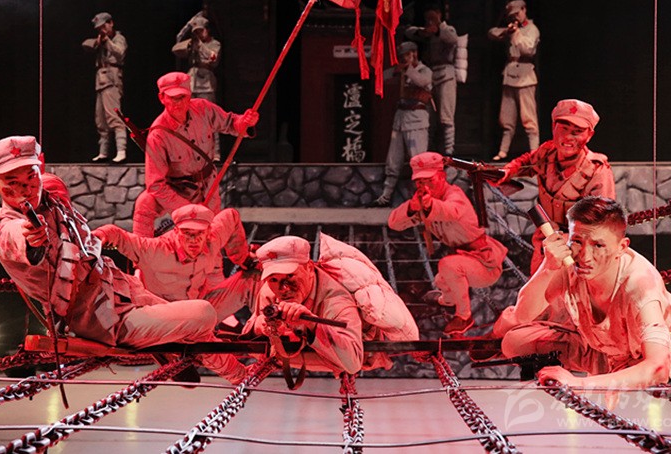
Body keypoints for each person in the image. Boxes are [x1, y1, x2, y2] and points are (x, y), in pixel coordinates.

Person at [0, 135, 247, 383]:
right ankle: (215, 367)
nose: (25, 190)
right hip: (101, 318)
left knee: (195, 326)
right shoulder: (2, 230)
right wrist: (32, 237)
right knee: (203, 314)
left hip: (123, 289)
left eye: (31, 177)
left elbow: (52, 185)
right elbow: (18, 236)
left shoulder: (53, 199)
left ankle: (234, 375)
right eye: (12, 183)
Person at [497, 196, 671, 390]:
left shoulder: (640, 286)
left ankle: (605, 379)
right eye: (577, 241)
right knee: (514, 341)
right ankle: (598, 374)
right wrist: (548, 267)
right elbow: (523, 314)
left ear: (621, 247)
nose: (584, 256)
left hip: (637, 360)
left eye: (598, 245)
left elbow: (658, 369)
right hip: (597, 349)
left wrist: (578, 383)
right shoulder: (569, 261)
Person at [244, 236, 401, 375]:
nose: (283, 289)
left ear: (309, 268)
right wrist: (262, 326)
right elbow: (249, 341)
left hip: (348, 353)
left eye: (290, 276)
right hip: (296, 352)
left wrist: (312, 324)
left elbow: (353, 363)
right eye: (274, 279)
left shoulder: (336, 300)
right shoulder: (269, 292)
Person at [388, 152, 508, 335]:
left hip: (485, 263)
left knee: (448, 266)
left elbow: (452, 211)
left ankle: (464, 316)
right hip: (465, 260)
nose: (424, 186)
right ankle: (446, 300)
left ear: (442, 176)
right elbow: (394, 223)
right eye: (419, 182)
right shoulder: (424, 199)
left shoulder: (454, 194)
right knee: (441, 279)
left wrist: (429, 206)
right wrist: (412, 208)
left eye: (430, 180)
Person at [494, 99, 615, 274]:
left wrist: (568, 240)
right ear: (553, 127)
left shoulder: (597, 171)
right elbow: (527, 162)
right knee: (537, 288)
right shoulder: (547, 153)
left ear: (589, 135)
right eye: (563, 129)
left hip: (578, 251)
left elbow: (601, 223)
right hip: (545, 242)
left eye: (577, 132)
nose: (568, 137)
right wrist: (505, 172)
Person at [133, 72, 259, 236]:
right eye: (172, 98)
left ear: (190, 95)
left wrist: (245, 122)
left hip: (207, 186)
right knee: (145, 203)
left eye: (182, 97)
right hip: (177, 188)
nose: (178, 103)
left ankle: (238, 252)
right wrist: (187, 209)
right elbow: (155, 184)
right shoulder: (158, 135)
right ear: (162, 98)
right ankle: (141, 249)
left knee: (209, 237)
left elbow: (231, 123)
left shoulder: (203, 108)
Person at [94, 203, 259, 323]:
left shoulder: (213, 239)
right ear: (176, 231)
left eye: (199, 233)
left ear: (208, 231)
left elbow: (231, 216)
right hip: (164, 319)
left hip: (199, 312)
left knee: (252, 278)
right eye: (187, 233)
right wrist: (96, 237)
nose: (193, 240)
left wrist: (243, 258)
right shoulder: (156, 249)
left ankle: (263, 332)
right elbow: (119, 236)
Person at [371, 41, 433, 207]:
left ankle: (423, 198)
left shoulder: (424, 70)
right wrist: (396, 71)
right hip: (400, 119)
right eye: (402, 56)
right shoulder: (401, 71)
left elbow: (422, 81)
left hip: (416, 119)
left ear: (414, 54)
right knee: (393, 160)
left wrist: (408, 69)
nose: (404, 58)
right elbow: (381, 78)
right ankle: (385, 196)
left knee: (418, 161)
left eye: (407, 55)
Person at [488, 0, 540, 161]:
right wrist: (507, 31)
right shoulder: (511, 28)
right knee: (506, 118)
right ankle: (503, 151)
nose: (515, 17)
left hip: (525, 76)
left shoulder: (531, 29)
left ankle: (535, 152)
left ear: (524, 10)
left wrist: (516, 33)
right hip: (510, 75)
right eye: (512, 15)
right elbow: (492, 33)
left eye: (517, 13)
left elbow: (528, 49)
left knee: (529, 118)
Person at [404, 6, 459, 156]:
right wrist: (424, 32)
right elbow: (409, 32)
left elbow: (452, 38)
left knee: (446, 116)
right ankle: (429, 149)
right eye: (428, 18)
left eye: (432, 17)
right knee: (430, 117)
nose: (430, 20)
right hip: (431, 74)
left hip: (446, 74)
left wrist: (438, 26)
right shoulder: (428, 32)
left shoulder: (447, 30)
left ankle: (449, 152)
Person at [173, 13, 223, 160]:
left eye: (201, 31)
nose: (199, 34)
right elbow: (176, 44)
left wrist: (201, 46)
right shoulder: (192, 43)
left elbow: (213, 58)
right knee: (190, 120)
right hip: (192, 85)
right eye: (196, 32)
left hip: (206, 84)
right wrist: (189, 25)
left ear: (207, 30)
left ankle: (215, 152)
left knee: (210, 119)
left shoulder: (215, 44)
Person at [82, 12, 129, 164]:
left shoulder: (118, 38)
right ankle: (103, 152)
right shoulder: (100, 40)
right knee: (101, 120)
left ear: (111, 23)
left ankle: (121, 151)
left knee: (114, 116)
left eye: (104, 26)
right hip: (101, 82)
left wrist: (107, 41)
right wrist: (99, 41)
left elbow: (120, 53)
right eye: (99, 28)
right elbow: (86, 45)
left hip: (112, 80)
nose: (102, 30)